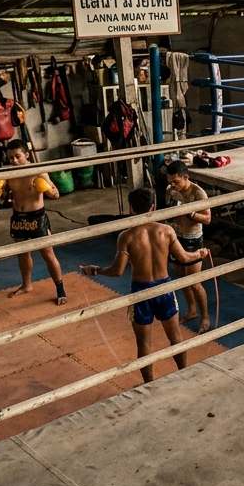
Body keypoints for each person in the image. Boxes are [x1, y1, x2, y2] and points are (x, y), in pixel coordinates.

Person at [81, 189, 209, 384]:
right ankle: (185, 374)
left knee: (144, 344)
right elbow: (184, 258)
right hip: (164, 289)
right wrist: (199, 254)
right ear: (153, 207)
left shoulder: (127, 236)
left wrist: (96, 270)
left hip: (141, 292)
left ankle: (149, 384)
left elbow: (117, 271)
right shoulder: (166, 231)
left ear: (131, 208)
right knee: (175, 337)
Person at [0, 139, 67, 305]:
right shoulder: (9, 174)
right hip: (18, 218)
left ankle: (60, 288)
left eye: (17, 156)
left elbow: (56, 194)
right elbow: (1, 198)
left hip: (37, 217)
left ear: (26, 154)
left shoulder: (38, 171)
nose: (14, 160)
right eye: (10, 158)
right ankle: (27, 285)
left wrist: (46, 188)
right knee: (23, 254)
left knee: (47, 253)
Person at [166, 161, 213, 332]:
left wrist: (190, 212)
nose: (173, 185)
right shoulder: (171, 190)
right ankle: (192, 310)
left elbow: (208, 219)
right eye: (170, 181)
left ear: (186, 177)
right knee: (181, 279)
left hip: (193, 239)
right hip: (177, 237)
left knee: (194, 282)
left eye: (176, 182)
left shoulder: (198, 193)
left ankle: (206, 318)